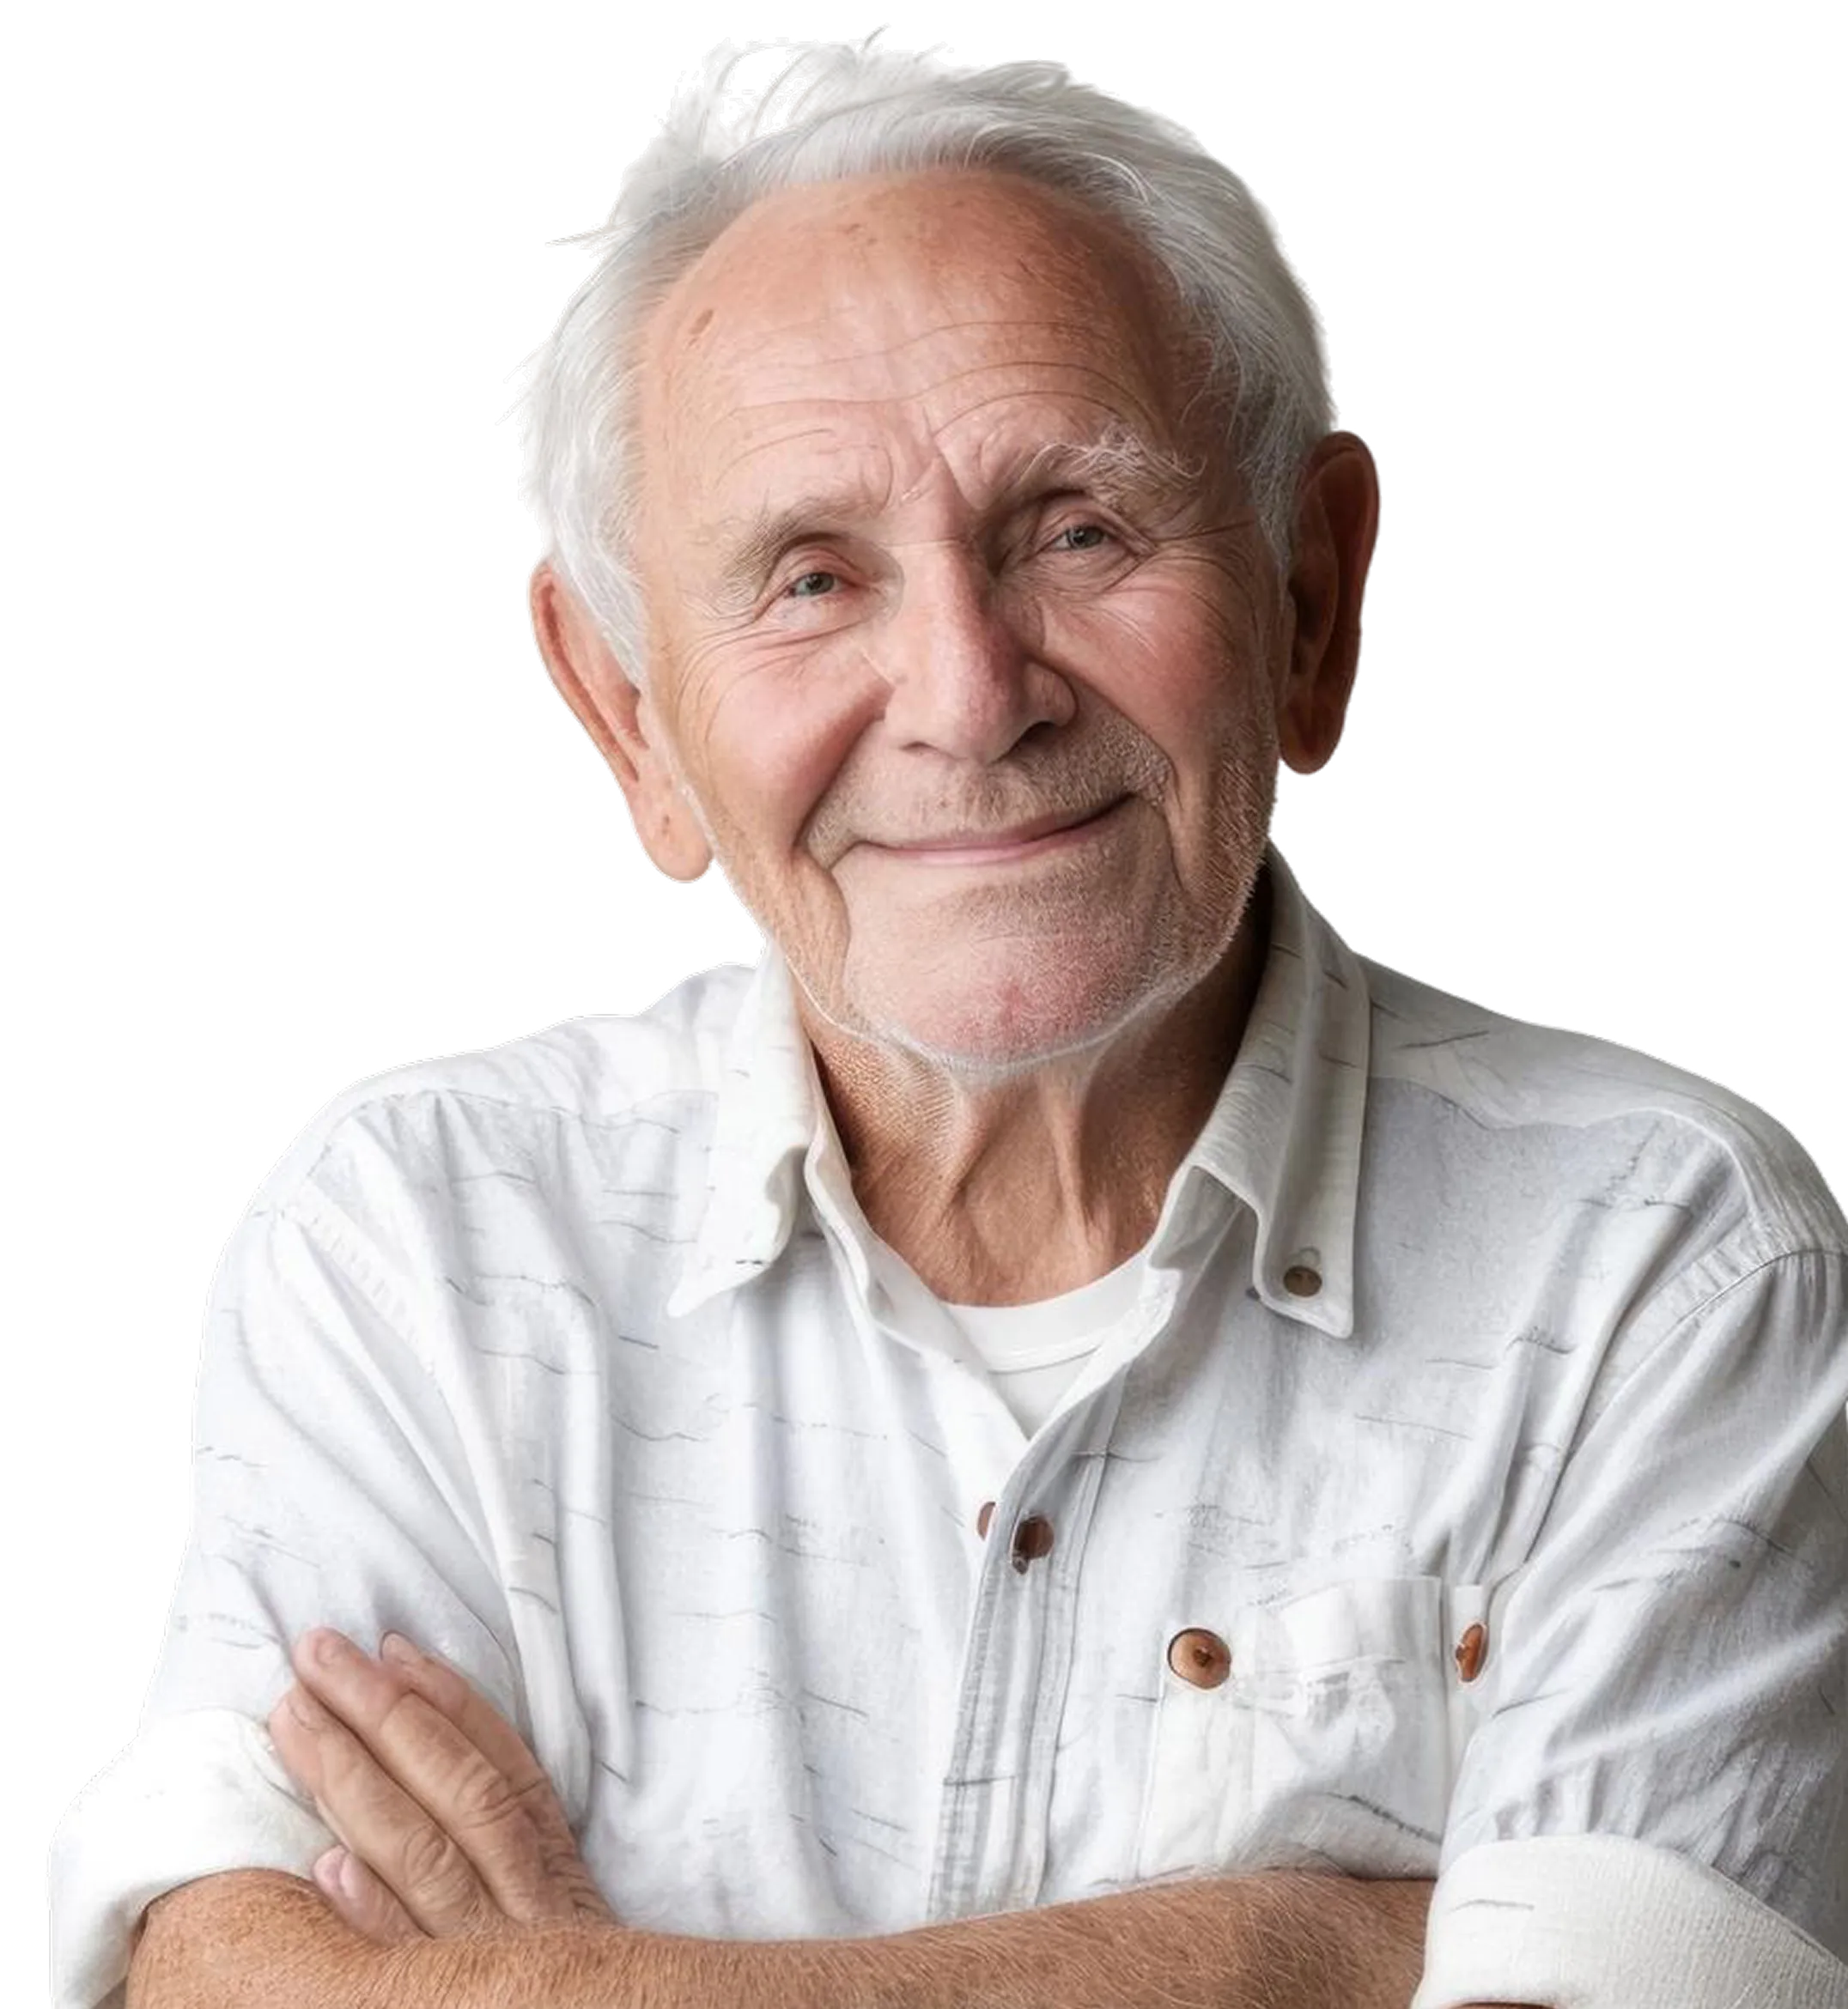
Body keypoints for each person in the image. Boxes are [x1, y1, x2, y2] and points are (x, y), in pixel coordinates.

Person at [46, 32, 1847, 2009]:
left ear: (1312, 602)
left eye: (1076, 528)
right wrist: (1298, 1951)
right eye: (810, 579)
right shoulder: (421, 1234)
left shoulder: (1661, 1262)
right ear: (630, 716)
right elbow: (215, 1972)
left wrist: (537, 1988)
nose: (968, 695)